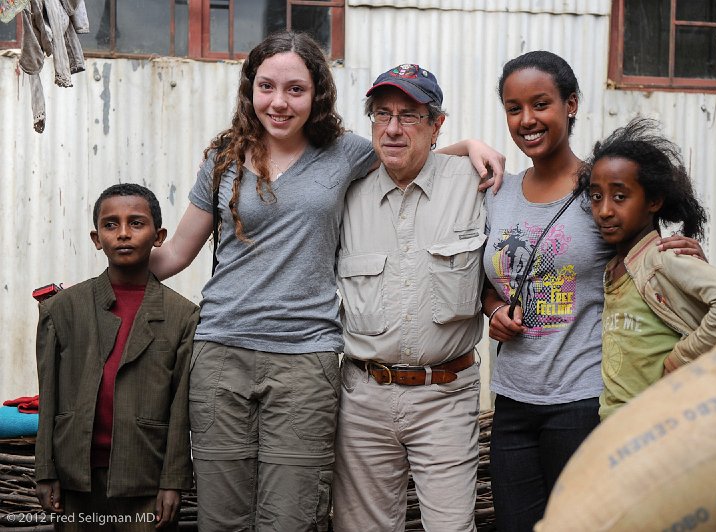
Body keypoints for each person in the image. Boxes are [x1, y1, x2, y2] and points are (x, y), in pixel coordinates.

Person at [148, 32, 504, 531]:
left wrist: (472, 145)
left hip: (304, 357)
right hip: (222, 353)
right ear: (250, 90)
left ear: (317, 95)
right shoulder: (224, 159)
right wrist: (111, 269)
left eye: (295, 88)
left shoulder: (343, 153)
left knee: (291, 516)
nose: (279, 101)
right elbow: (174, 256)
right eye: (267, 86)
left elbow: (405, 146)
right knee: (221, 516)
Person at [481, 50, 706, 530]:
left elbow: (650, 262)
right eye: (513, 108)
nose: (526, 120)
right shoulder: (497, 193)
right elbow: (486, 280)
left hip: (582, 402)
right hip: (512, 401)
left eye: (540, 104)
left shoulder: (600, 193)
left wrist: (684, 258)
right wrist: (495, 308)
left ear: (572, 104)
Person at [332, 63, 485, 532]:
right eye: (382, 115)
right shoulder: (344, 190)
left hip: (446, 396)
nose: (393, 128)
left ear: (437, 124)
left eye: (410, 116)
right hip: (362, 398)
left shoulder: (477, 184)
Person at [35, 183, 199, 531]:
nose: (123, 233)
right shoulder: (63, 309)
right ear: (96, 238)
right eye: (111, 225)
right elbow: (48, 396)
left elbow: (181, 406)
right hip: (75, 474)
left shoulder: (182, 315)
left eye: (136, 223)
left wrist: (173, 480)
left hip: (145, 474)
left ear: (159, 235)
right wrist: (45, 470)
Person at [578, 117, 716, 420]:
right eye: (597, 197)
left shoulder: (663, 257)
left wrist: (680, 358)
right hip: (618, 424)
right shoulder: (613, 267)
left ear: (654, 200)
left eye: (620, 196)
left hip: (660, 426)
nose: (605, 210)